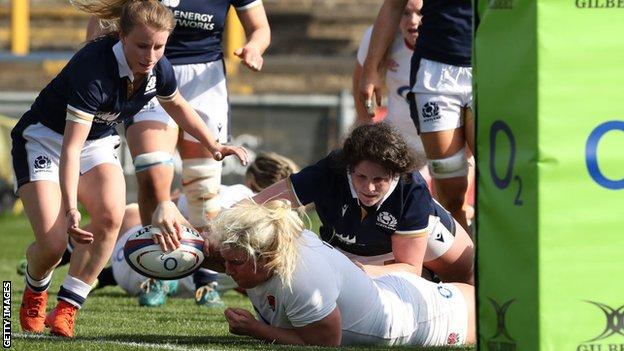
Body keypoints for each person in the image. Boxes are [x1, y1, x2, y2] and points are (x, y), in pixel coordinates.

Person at [11, 0, 248, 338]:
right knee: (50, 245)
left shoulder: (158, 66)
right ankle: (33, 293)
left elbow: (178, 105)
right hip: (47, 141)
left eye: (159, 46)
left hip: (97, 141)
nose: (150, 55)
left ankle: (66, 309)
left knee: (110, 217)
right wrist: (72, 208)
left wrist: (213, 144)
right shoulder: (93, 69)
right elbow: (71, 147)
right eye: (142, 45)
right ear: (121, 35)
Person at [86, 0, 270, 231]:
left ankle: (205, 265)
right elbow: (104, 15)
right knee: (152, 177)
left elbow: (260, 28)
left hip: (205, 79)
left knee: (202, 193)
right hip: (150, 72)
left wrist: (254, 47)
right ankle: (155, 259)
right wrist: (93, 56)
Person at [207, 200, 475, 347]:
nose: (227, 269)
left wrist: (255, 329)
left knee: (497, 313)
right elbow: (219, 253)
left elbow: (325, 342)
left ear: (265, 258)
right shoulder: (271, 244)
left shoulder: (302, 282)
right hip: (389, 290)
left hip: (425, 319)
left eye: (235, 263)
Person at [253, 124, 474, 284]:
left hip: (417, 243)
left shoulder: (411, 187)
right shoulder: (329, 171)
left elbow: (410, 267)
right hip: (349, 252)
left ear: (395, 174)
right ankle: (428, 281)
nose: (369, 188)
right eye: (361, 177)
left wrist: (363, 271)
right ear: (349, 168)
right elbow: (256, 204)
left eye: (379, 180)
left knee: (470, 278)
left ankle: (431, 280)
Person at [359, 0, 474, 231]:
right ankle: (462, 265)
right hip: (436, 74)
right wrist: (370, 70)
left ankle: (500, 260)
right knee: (451, 192)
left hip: (489, 65)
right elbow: (393, 6)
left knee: (496, 178)